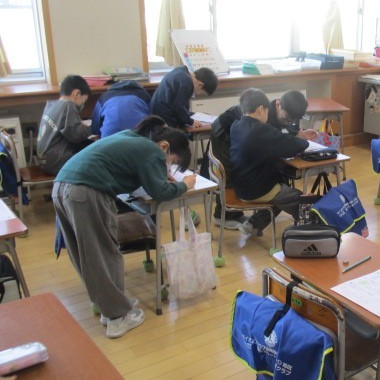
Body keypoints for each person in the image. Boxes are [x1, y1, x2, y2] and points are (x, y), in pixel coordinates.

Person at [53, 116, 197, 339]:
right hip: (86, 192)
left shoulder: (132, 137)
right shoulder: (152, 150)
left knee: (87, 254)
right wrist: (184, 185)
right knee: (105, 253)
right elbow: (161, 192)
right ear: (164, 147)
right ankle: (118, 317)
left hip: (62, 187)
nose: (167, 165)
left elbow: (130, 169)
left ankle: (109, 306)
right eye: (171, 161)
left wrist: (158, 174)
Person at [211, 90, 316, 230]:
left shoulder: (236, 125)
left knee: (282, 190)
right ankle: (309, 228)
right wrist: (305, 142)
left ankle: (253, 225)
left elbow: (277, 137)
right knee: (300, 199)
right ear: (261, 110)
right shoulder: (261, 130)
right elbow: (291, 144)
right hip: (256, 188)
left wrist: (297, 134)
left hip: (242, 183)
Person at [36, 75, 94, 175]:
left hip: (44, 161)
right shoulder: (68, 105)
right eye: (84, 100)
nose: (83, 105)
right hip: (56, 163)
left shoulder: (51, 104)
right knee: (94, 152)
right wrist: (92, 128)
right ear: (77, 93)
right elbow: (76, 136)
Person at [149, 66, 218, 129]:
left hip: (157, 113)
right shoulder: (186, 82)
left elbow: (180, 104)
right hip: (164, 118)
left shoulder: (181, 72)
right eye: (202, 92)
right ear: (200, 85)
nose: (199, 93)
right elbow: (178, 107)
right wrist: (190, 121)